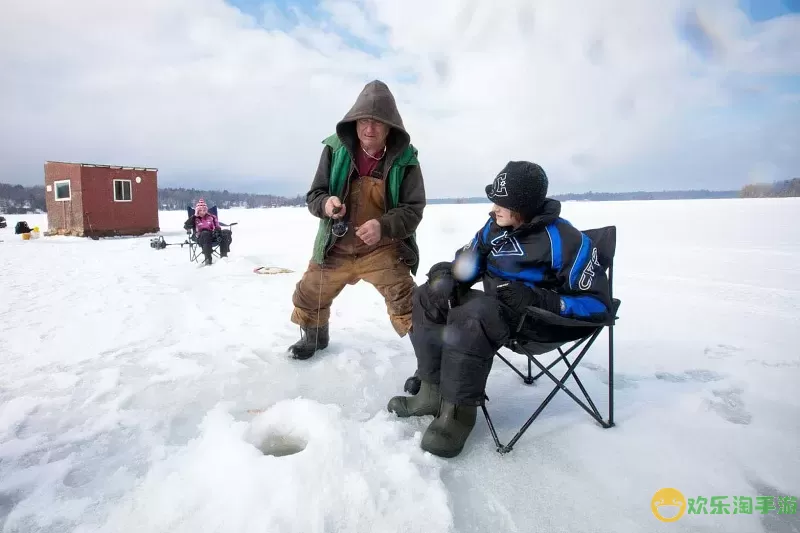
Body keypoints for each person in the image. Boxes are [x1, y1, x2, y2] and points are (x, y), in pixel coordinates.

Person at [386, 161, 612, 458]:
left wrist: (538, 299)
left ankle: (457, 415)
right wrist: (449, 275)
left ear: (524, 205)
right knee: (427, 296)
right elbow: (469, 264)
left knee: (474, 312)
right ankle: (431, 392)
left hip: (540, 322)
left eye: (502, 202)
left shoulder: (567, 241)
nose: (494, 207)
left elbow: (598, 305)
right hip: (496, 314)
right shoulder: (494, 228)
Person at [288, 80, 427, 360]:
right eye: (363, 120)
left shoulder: (406, 160)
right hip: (335, 246)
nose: (369, 128)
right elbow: (315, 194)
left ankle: (428, 367)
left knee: (408, 302)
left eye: (378, 122)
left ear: (391, 127)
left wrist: (383, 226)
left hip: (382, 248)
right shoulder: (334, 149)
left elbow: (413, 209)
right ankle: (315, 339)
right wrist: (326, 204)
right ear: (354, 122)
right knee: (308, 292)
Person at [183, 198, 231, 265]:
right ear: (197, 211)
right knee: (205, 233)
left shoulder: (212, 217)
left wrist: (217, 231)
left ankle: (224, 256)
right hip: (200, 237)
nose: (202, 212)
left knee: (226, 232)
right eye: (200, 210)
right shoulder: (194, 218)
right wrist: (194, 216)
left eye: (204, 210)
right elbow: (186, 226)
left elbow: (217, 226)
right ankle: (208, 258)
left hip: (213, 235)